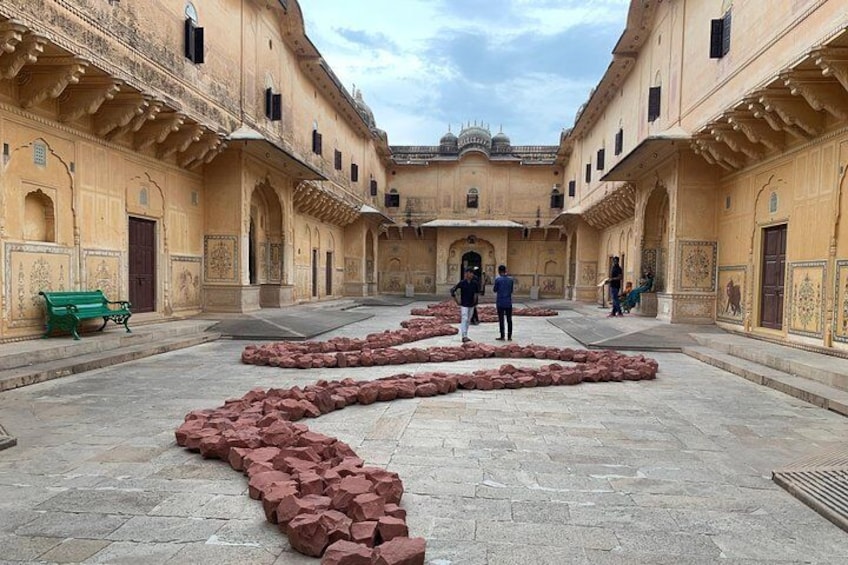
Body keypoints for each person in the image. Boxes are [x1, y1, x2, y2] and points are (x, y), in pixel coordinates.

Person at [451, 268, 478, 343]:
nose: (471, 275)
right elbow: (453, 290)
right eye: (470, 273)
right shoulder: (462, 283)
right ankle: (464, 335)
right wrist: (457, 300)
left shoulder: (474, 283)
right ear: (466, 274)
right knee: (464, 318)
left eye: (472, 273)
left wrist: (475, 301)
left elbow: (476, 293)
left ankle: (466, 333)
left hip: (471, 304)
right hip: (464, 304)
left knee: (468, 320)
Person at [493, 264, 514, 341]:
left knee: (501, 319)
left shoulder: (498, 280)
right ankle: (509, 336)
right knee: (509, 319)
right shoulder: (510, 280)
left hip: (500, 302)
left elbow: (495, 290)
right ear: (505, 270)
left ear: (499, 271)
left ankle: (502, 336)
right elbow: (511, 291)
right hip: (508, 302)